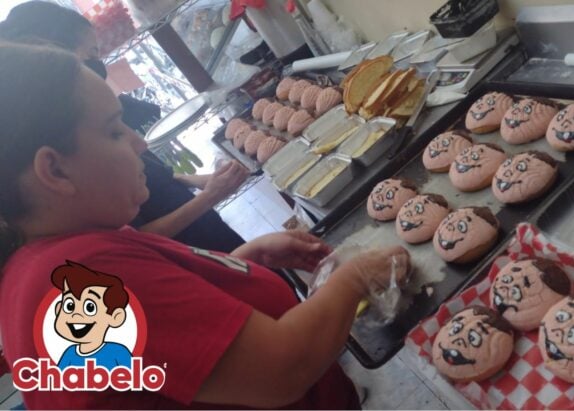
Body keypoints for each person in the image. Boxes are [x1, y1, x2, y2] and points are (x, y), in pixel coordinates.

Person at [0, 42, 410, 409]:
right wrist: (355, 275)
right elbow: (282, 369)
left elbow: (174, 341)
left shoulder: (49, 261)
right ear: (55, 169)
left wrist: (243, 263)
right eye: (113, 130)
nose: (138, 143)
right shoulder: (82, 282)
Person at [0, 1, 249, 253]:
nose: (139, 144)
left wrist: (194, 181)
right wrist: (209, 198)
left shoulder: (90, 127)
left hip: (201, 230)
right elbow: (131, 238)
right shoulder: (73, 143)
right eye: (92, 54)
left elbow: (146, 173)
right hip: (186, 247)